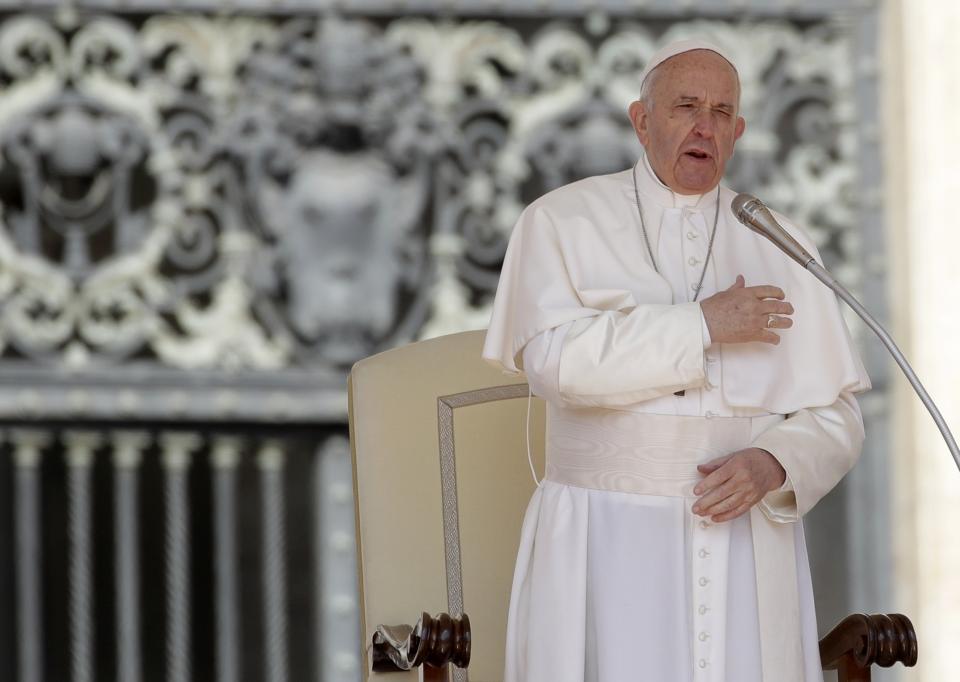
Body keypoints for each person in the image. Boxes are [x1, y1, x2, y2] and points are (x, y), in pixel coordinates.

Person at [482, 39, 870, 682]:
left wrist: (776, 461)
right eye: (685, 106)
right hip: (606, 539)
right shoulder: (559, 221)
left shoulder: (781, 239)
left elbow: (838, 414)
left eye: (722, 112)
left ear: (738, 131)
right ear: (641, 119)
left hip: (747, 543)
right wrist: (702, 325)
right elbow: (556, 365)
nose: (704, 126)